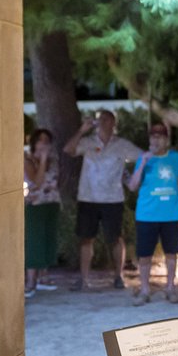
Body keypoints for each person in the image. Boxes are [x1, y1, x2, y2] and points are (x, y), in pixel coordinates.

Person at [64, 109, 141, 291]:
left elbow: (143, 157)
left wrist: (129, 176)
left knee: (115, 238)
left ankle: (118, 276)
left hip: (113, 199)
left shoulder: (122, 145)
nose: (103, 122)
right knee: (86, 239)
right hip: (88, 197)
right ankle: (84, 279)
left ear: (114, 123)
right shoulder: (87, 142)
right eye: (100, 119)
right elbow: (68, 149)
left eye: (107, 119)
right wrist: (81, 130)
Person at [127, 123, 178, 305]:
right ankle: (145, 290)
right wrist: (143, 163)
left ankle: (170, 288)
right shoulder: (143, 158)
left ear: (167, 140)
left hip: (171, 215)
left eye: (160, 137)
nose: (156, 140)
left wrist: (172, 194)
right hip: (147, 215)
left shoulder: (176, 158)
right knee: (144, 255)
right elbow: (132, 186)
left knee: (171, 254)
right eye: (153, 137)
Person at [24, 128, 61, 298]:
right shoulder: (27, 160)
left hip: (51, 202)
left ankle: (43, 277)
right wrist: (43, 159)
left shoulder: (54, 161)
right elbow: (37, 182)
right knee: (34, 242)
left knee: (47, 239)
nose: (44, 144)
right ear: (34, 142)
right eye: (41, 140)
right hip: (34, 204)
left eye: (47, 141)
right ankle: (30, 281)